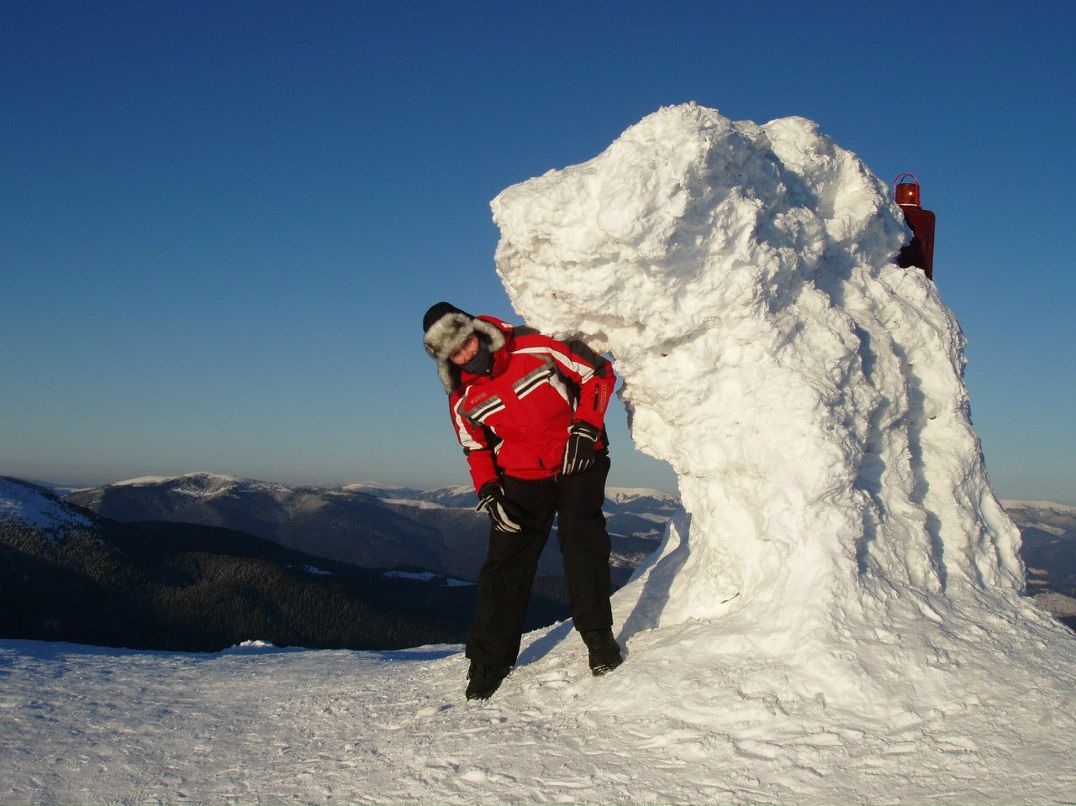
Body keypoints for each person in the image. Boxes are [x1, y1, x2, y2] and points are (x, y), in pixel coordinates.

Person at [422, 301, 624, 700]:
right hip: (522, 476)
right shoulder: (461, 396)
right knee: (504, 561)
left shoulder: (534, 344)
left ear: (476, 330)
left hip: (577, 457)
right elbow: (475, 448)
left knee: (581, 539)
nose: (467, 356)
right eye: (455, 354)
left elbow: (598, 372)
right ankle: (488, 661)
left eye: (467, 343)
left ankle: (598, 638)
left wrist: (586, 428)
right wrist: (489, 490)